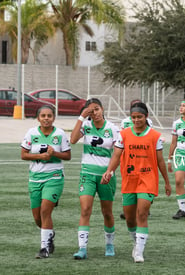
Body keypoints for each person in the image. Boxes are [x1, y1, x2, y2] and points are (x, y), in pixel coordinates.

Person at [101, 102, 171, 263]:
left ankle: (139, 251)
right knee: (130, 218)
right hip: (130, 179)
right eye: (133, 117)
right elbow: (117, 156)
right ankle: (136, 241)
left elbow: (160, 161)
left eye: (139, 117)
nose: (136, 120)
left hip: (148, 179)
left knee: (142, 212)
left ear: (146, 117)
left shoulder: (155, 136)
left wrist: (167, 182)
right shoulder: (124, 134)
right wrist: (109, 171)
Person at [70, 98, 120, 260]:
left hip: (106, 176)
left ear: (103, 109)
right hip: (87, 174)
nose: (95, 113)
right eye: (91, 111)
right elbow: (72, 140)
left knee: (107, 212)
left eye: (97, 109)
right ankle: (82, 248)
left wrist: (110, 171)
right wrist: (81, 117)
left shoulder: (112, 129)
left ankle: (109, 244)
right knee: (85, 209)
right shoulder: (86, 125)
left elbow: (118, 154)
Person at [20, 105, 71, 259]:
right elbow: (23, 154)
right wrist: (39, 157)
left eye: (49, 116)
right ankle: (50, 235)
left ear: (54, 118)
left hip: (54, 177)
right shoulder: (31, 133)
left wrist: (54, 153)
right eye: (43, 116)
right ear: (38, 118)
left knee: (45, 211)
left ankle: (44, 249)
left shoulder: (60, 134)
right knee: (37, 218)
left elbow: (68, 156)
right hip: (35, 178)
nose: (46, 118)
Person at [119, 99, 153, 220]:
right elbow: (122, 139)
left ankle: (144, 206)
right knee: (127, 182)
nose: (136, 119)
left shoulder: (148, 123)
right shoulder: (125, 123)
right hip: (128, 158)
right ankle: (128, 207)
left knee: (145, 181)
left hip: (143, 158)